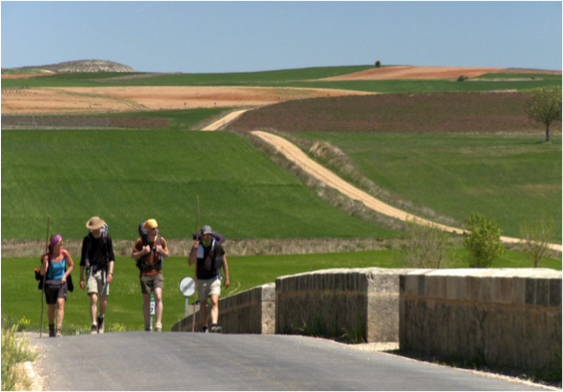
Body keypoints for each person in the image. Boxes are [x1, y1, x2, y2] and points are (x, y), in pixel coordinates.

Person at [188, 225, 230, 333]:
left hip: (214, 277)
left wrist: (227, 278)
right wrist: (194, 250)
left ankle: (214, 326)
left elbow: (224, 261)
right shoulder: (197, 246)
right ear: (202, 236)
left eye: (209, 236)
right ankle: (204, 327)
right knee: (203, 303)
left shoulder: (217, 246)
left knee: (214, 301)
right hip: (201, 278)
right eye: (205, 236)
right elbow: (190, 262)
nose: (207, 238)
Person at [131, 219, 169, 332]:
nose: (156, 230)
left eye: (157, 228)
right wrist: (142, 252)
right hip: (145, 273)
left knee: (158, 296)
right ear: (148, 230)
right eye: (153, 229)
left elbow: (167, 254)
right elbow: (133, 256)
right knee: (146, 300)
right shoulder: (140, 242)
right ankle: (148, 325)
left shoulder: (161, 241)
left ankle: (158, 324)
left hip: (157, 272)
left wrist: (161, 251)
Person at [80, 216, 115, 334]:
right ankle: (94, 324)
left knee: (103, 300)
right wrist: (81, 278)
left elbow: (111, 258)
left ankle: (101, 317)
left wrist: (111, 272)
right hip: (91, 272)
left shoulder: (106, 239)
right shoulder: (87, 240)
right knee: (93, 297)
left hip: (104, 272)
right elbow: (82, 259)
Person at [40, 234, 74, 337]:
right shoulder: (48, 257)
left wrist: (65, 276)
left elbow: (72, 265)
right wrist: (44, 263)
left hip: (61, 283)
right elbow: (42, 273)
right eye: (60, 242)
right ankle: (51, 328)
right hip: (50, 283)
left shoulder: (64, 254)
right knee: (51, 307)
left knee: (60, 303)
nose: (62, 243)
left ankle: (58, 330)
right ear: (55, 245)